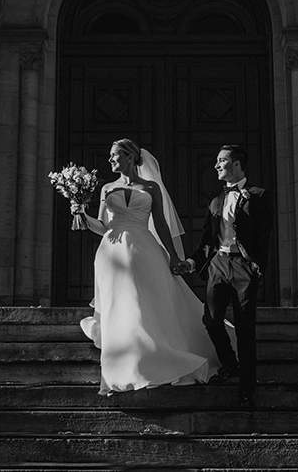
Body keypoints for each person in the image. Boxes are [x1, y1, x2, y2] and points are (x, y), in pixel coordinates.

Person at [72, 138, 220, 395]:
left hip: (145, 249)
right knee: (119, 303)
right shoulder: (107, 188)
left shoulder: (151, 187)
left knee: (143, 302)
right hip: (112, 252)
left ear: (129, 157)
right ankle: (123, 362)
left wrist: (173, 257)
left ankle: (154, 355)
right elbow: (102, 226)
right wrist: (81, 214)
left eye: (114, 155)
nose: (110, 160)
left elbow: (161, 224)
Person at [174, 144, 272, 409]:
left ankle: (247, 388)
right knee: (212, 319)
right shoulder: (216, 199)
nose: (216, 165)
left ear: (237, 165)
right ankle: (230, 363)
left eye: (222, 161)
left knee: (245, 329)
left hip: (243, 267)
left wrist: (257, 267)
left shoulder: (259, 196)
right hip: (217, 265)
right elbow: (207, 238)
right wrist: (192, 262)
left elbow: (264, 236)